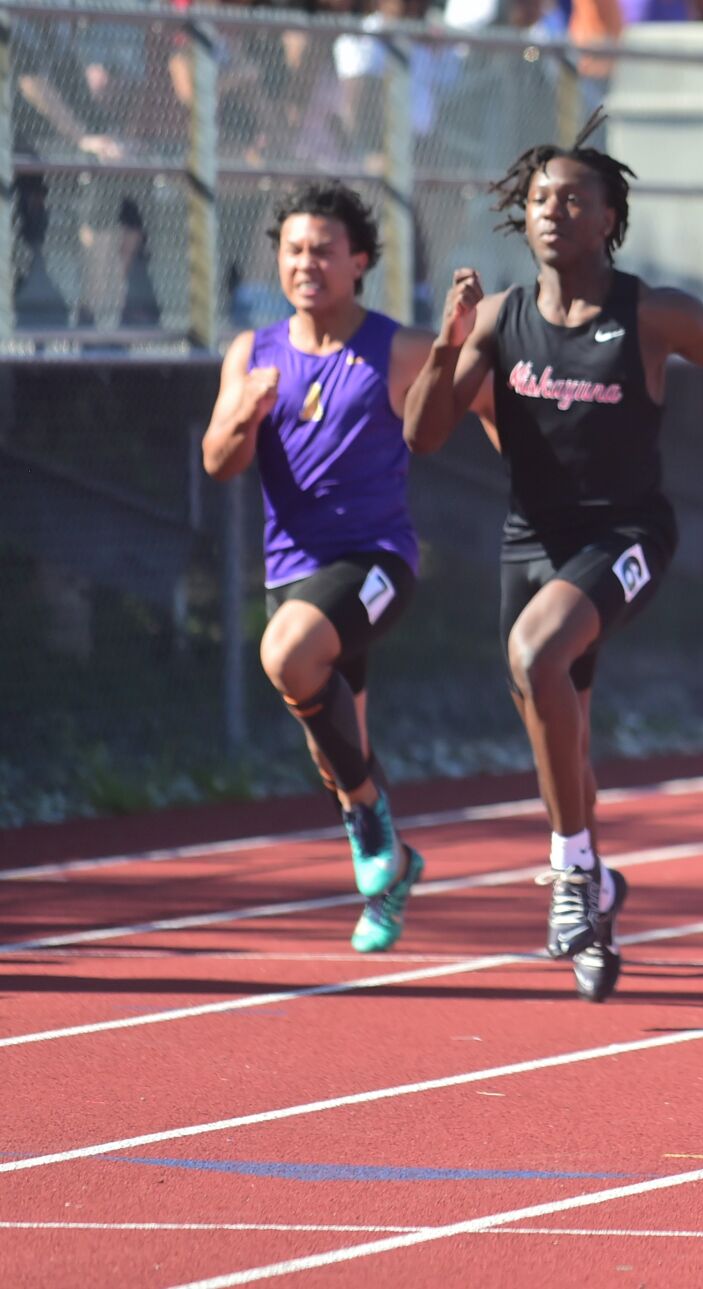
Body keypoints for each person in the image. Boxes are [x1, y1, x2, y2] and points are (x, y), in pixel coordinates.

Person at [402, 114, 703, 1003]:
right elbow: (423, 435)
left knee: (539, 654)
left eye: (575, 199)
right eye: (541, 198)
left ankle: (572, 870)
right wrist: (448, 339)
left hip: (627, 537)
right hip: (529, 541)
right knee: (558, 719)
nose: (553, 211)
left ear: (610, 217)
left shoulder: (654, 313)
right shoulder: (500, 320)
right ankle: (598, 887)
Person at [202, 180, 438, 953]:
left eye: (324, 251)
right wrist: (245, 411)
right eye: (294, 250)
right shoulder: (253, 351)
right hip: (293, 573)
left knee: (286, 655)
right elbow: (218, 462)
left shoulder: (395, 347)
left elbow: (472, 399)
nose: (307, 263)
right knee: (335, 747)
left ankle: (370, 820)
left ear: (359, 261)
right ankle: (392, 869)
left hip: (374, 562)